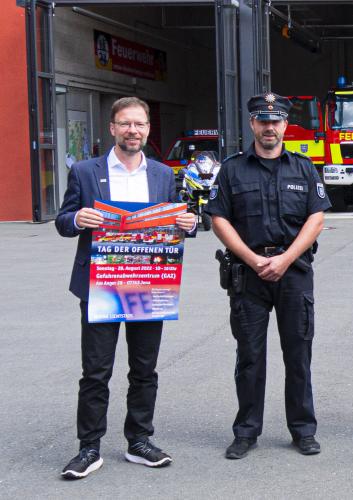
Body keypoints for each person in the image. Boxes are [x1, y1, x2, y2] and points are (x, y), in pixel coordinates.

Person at [55, 96, 197, 479]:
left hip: (150, 284)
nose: (133, 130)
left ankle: (139, 440)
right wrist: (76, 219)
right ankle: (89, 448)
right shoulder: (86, 172)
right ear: (112, 128)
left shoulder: (163, 175)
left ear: (148, 130)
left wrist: (190, 224)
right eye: (125, 124)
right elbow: (63, 220)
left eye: (140, 124)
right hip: (100, 284)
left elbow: (178, 218)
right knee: (96, 371)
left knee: (144, 369)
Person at [204, 92, 331, 459]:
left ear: (285, 125)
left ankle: (303, 430)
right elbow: (218, 218)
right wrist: (253, 259)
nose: (269, 127)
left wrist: (286, 259)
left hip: (294, 273)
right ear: (252, 124)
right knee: (250, 356)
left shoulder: (304, 167)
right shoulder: (231, 169)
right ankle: (246, 432)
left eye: (276, 121)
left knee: (298, 355)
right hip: (248, 274)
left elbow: (316, 217)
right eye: (263, 120)